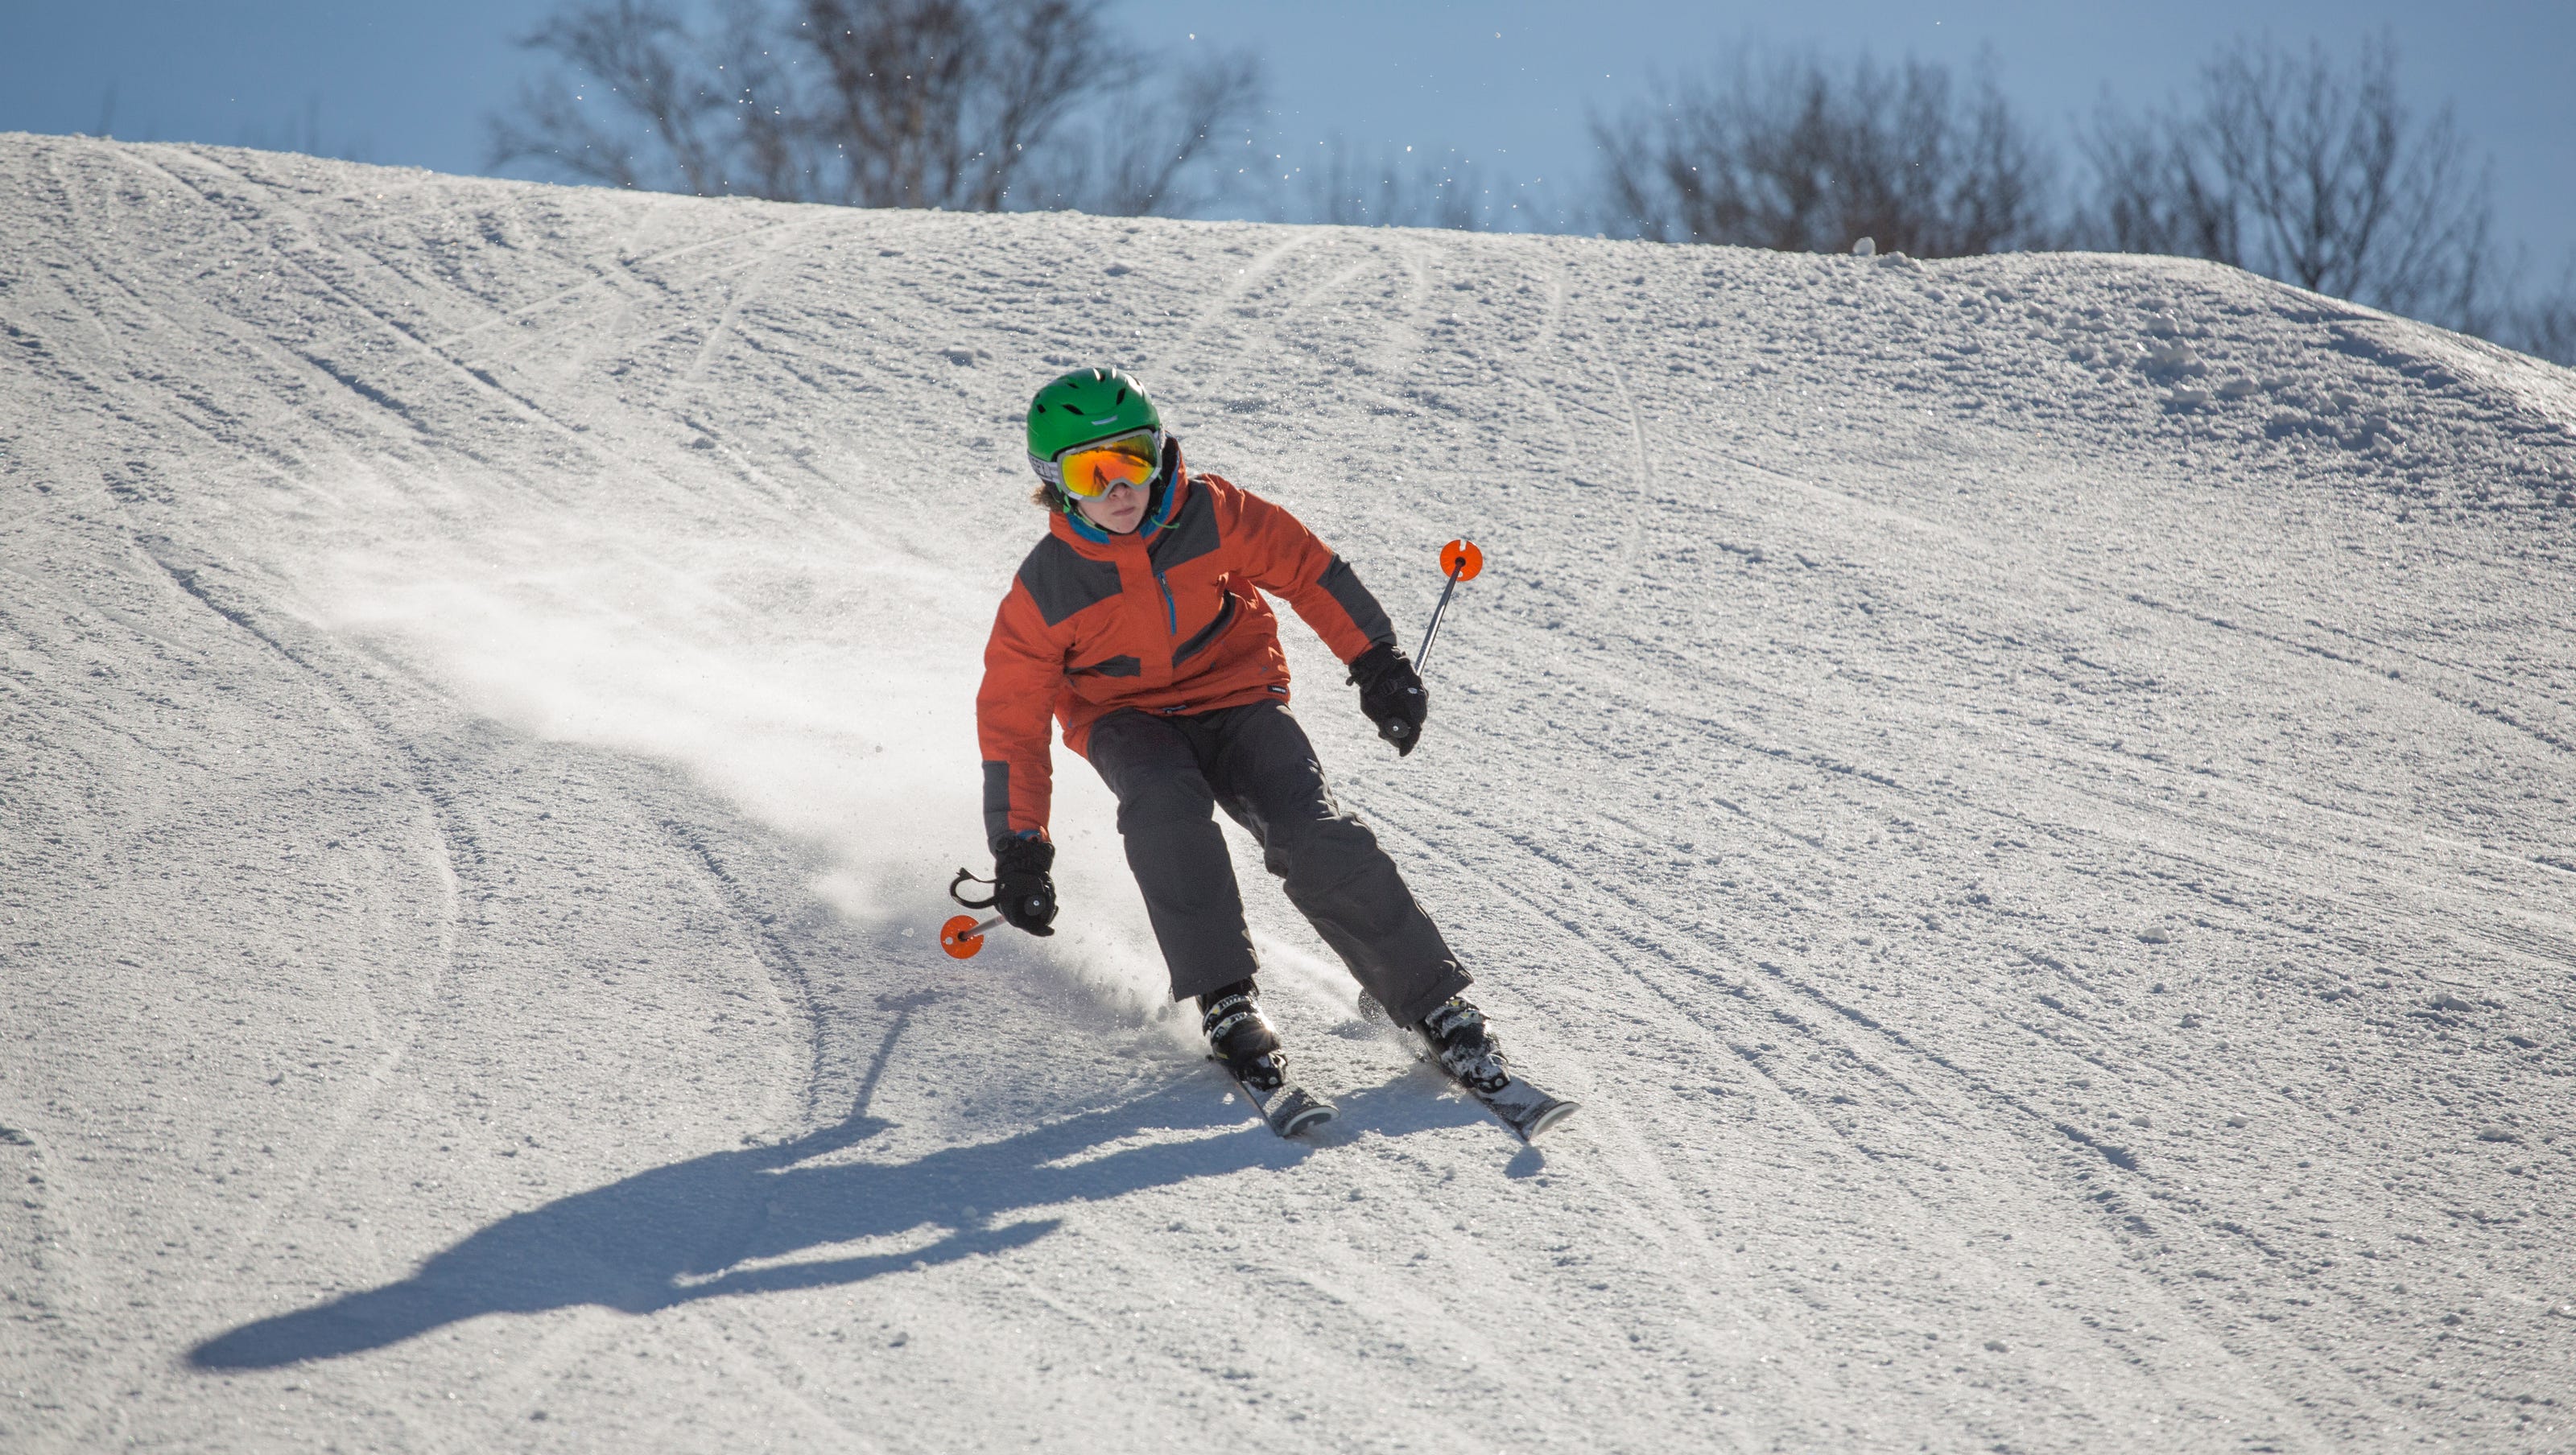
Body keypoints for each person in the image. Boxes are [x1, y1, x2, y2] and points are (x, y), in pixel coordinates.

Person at [973, 366, 1510, 1105]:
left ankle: (1429, 999)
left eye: (1133, 460)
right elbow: (1012, 719)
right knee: (1164, 809)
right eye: (1092, 473)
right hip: (1125, 719)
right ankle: (1225, 996)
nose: (1120, 488)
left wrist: (1377, 662)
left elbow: (1308, 570)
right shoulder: (1046, 589)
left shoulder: (1213, 513)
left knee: (1312, 829)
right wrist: (1020, 845)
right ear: (1055, 483)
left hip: (1236, 695)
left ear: (1159, 452)